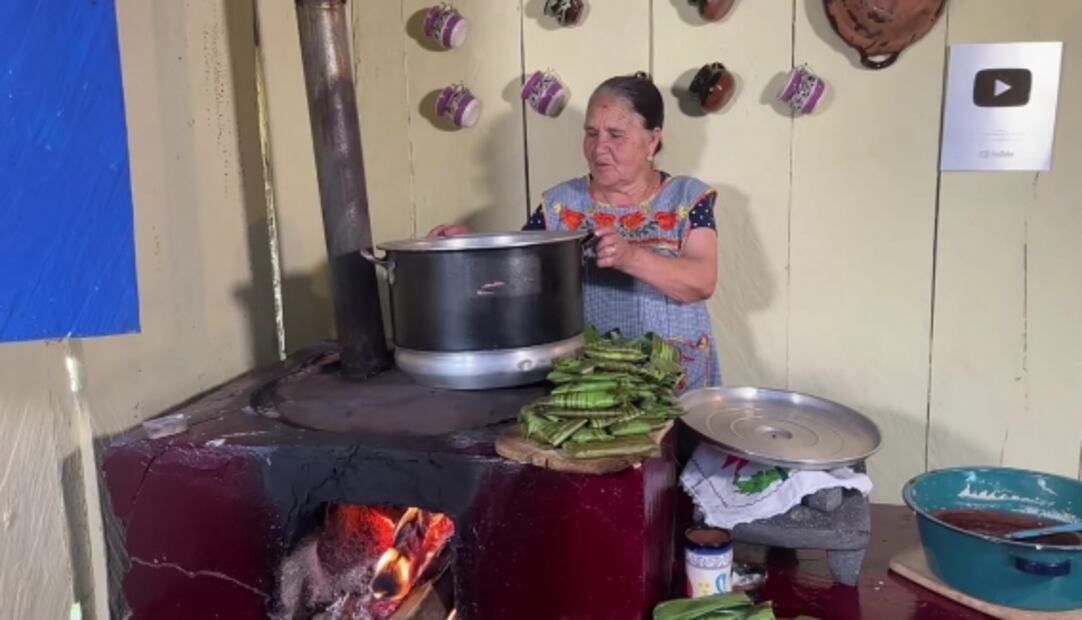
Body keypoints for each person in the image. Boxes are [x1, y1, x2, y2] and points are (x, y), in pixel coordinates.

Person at [428, 73, 721, 390]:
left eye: (616, 134)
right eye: (592, 133)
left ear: (652, 140)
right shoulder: (559, 205)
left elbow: (701, 280)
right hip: (590, 384)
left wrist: (631, 257)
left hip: (674, 380)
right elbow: (518, 274)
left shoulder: (686, 198)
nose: (599, 148)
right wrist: (466, 250)